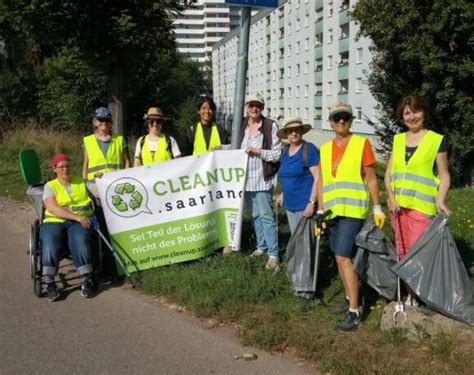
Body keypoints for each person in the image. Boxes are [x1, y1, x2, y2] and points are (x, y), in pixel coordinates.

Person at [317, 102, 385, 332]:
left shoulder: (361, 144)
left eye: (345, 117)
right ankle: (349, 297)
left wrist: (377, 206)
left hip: (353, 210)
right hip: (333, 211)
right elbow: (323, 182)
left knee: (343, 257)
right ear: (331, 122)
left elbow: (372, 178)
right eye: (337, 118)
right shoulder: (325, 149)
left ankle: (355, 311)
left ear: (351, 120)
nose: (341, 122)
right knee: (339, 258)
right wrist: (320, 210)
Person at [384, 95, 451, 306]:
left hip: (422, 207)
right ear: (401, 117)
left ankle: (422, 295)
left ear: (424, 113)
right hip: (398, 208)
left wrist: (441, 201)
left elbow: (445, 175)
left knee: (417, 254)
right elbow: (388, 174)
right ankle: (409, 295)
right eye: (407, 113)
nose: (412, 116)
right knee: (403, 252)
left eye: (416, 111)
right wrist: (391, 198)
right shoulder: (397, 140)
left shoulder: (436, 140)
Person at [82, 106, 130, 281]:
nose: (104, 123)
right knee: (100, 230)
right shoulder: (88, 141)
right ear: (95, 122)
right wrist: (86, 187)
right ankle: (101, 268)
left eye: (107, 120)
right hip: (95, 192)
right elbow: (85, 167)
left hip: (116, 191)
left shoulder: (119, 140)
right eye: (100, 120)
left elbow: (126, 163)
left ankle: (116, 268)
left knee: (116, 230)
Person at [40, 154, 96, 301]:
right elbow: (52, 207)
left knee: (80, 239)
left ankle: (87, 278)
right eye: (61, 167)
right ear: (55, 169)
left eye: (67, 166)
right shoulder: (50, 186)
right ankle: (49, 281)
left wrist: (101, 179)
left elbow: (97, 192)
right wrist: (77, 216)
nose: (65, 169)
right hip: (55, 221)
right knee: (50, 241)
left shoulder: (81, 182)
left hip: (79, 223)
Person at [240, 94, 282, 270]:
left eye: (258, 105)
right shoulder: (242, 125)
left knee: (266, 215)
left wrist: (257, 151)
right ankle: (261, 246)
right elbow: (237, 148)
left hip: (263, 179)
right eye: (251, 105)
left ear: (262, 107)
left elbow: (278, 153)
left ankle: (274, 254)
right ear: (246, 106)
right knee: (255, 215)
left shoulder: (270, 125)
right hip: (247, 180)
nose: (254, 109)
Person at [276, 117, 320, 234]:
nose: (294, 133)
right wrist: (283, 194)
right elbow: (287, 176)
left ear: (301, 132)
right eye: (290, 131)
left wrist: (311, 203)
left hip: (304, 205)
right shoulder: (284, 151)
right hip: (289, 204)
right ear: (286, 134)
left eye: (297, 130)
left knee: (305, 242)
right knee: (295, 238)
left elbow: (318, 178)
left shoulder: (309, 149)